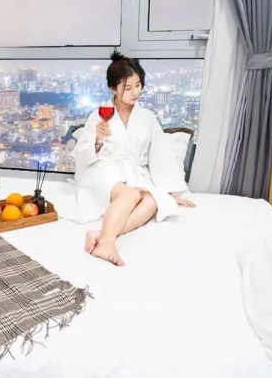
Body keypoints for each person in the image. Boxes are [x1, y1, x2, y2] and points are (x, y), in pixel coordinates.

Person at [73, 51, 195, 266]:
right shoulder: (99, 115)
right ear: (112, 88)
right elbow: (83, 154)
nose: (135, 92)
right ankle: (108, 243)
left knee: (152, 201)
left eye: (138, 85)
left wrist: (169, 192)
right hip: (103, 169)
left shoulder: (147, 117)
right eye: (128, 88)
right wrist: (98, 139)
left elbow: (161, 155)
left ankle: (101, 234)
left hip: (134, 173)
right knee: (130, 195)